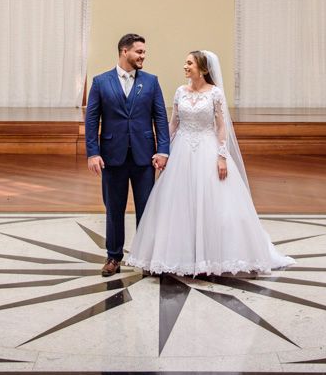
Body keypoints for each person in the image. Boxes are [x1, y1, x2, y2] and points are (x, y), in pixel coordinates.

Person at [125, 50, 294, 276]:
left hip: (208, 149)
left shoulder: (215, 93)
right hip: (181, 151)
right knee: (178, 204)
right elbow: (173, 123)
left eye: (189, 63)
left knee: (213, 203)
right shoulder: (180, 91)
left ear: (202, 69)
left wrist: (222, 156)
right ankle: (178, 256)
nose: (185, 66)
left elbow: (222, 127)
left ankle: (212, 256)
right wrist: (162, 150)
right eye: (185, 62)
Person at [84, 33, 170, 277]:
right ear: (125, 51)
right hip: (112, 157)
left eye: (144, 52)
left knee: (147, 209)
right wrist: (93, 153)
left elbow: (160, 117)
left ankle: (146, 258)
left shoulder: (151, 82)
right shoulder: (101, 82)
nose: (143, 56)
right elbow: (92, 119)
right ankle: (113, 257)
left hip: (145, 157)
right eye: (139, 52)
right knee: (114, 209)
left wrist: (163, 150)